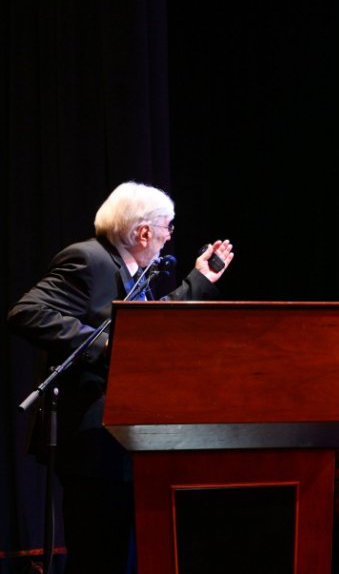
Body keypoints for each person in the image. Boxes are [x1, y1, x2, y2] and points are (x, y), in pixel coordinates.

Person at [7, 181, 235, 574]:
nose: (168, 237)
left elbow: (149, 331)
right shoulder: (89, 260)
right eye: (167, 227)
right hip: (93, 445)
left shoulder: (131, 274)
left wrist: (199, 281)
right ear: (144, 232)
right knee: (98, 558)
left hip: (121, 440)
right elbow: (27, 312)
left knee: (118, 556)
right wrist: (106, 345)